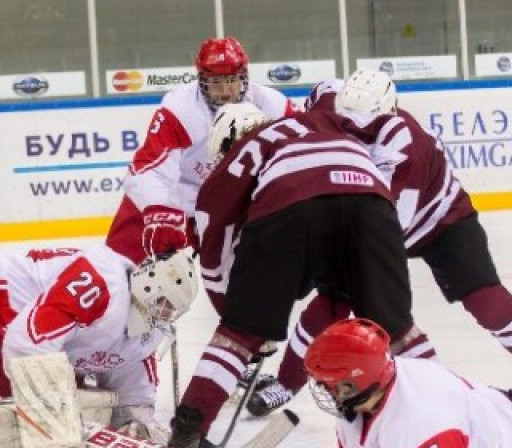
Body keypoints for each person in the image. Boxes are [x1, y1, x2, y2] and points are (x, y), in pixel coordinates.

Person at [165, 103, 436, 448]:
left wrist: (241, 321)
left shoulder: (241, 153)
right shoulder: (316, 121)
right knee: (396, 328)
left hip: (292, 206)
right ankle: (452, 401)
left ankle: (188, 432)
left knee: (237, 334)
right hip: (373, 202)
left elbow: (215, 256)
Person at [247, 69, 512, 418]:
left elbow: (386, 230)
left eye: (366, 125)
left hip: (439, 221)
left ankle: (440, 395)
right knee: (328, 305)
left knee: (486, 301)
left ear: (389, 112)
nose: (356, 130)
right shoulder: (330, 105)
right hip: (373, 216)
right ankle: (286, 384)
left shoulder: (410, 146)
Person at [0, 244, 198, 443]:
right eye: (165, 304)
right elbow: (27, 345)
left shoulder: (146, 332)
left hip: (50, 350)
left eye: (172, 310)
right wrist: (55, 416)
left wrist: (135, 426)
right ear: (149, 286)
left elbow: (134, 393)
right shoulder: (102, 283)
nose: (165, 314)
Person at [105, 36, 297, 265]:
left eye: (232, 80)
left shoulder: (272, 106)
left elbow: (303, 149)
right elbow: (147, 169)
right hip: (179, 202)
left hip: (228, 206)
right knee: (117, 264)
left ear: (244, 77)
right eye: (216, 82)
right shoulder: (181, 110)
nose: (226, 91)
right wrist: (160, 209)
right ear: (202, 80)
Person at [305, 318, 512, 447]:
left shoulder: (423, 424)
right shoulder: (363, 397)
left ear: (352, 384)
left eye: (328, 384)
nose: (325, 390)